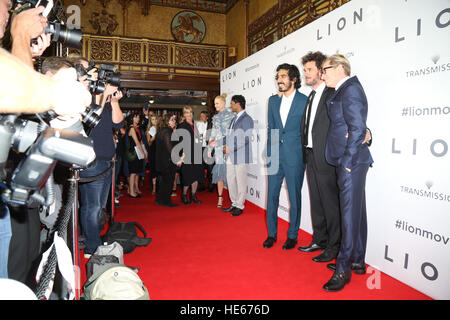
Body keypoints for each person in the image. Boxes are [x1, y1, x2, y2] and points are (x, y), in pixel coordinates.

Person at [320, 54, 373, 292]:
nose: (323, 74)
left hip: (350, 161)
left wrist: (349, 162)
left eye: (325, 69)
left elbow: (358, 128)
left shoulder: (350, 89)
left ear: (340, 68)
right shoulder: (343, 90)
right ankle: (357, 261)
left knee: (349, 215)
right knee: (356, 212)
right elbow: (354, 126)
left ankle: (344, 269)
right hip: (347, 159)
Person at [74, 55, 124, 258]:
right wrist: (104, 95)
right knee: (91, 206)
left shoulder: (104, 97)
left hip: (107, 160)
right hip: (91, 160)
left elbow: (118, 124)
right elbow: (91, 119)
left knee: (99, 207)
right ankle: (92, 247)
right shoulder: (84, 95)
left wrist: (115, 102)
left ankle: (90, 236)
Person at [297, 51, 341, 261]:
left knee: (330, 203)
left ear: (321, 72)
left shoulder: (332, 94)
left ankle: (334, 247)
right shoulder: (311, 96)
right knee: (316, 201)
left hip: (326, 157)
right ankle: (319, 240)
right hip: (311, 156)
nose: (305, 73)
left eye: (309, 70)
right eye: (304, 70)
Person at [263, 63, 308, 250]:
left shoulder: (305, 100)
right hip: (275, 155)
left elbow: (306, 130)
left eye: (283, 76)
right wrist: (269, 152)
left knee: (294, 197)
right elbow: (272, 128)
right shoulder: (273, 101)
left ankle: (292, 235)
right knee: (271, 196)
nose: (279, 80)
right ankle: (271, 234)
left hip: (295, 155)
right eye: (278, 77)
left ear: (294, 79)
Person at [221, 95, 254, 216]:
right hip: (231, 156)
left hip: (241, 156)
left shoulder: (247, 119)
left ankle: (240, 205)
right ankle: (234, 203)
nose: (230, 106)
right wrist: (223, 145)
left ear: (238, 104)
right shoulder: (234, 119)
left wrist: (231, 148)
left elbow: (245, 138)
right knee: (230, 180)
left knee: (240, 182)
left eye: (232, 103)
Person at [208, 94, 234, 207]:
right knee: (219, 174)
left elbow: (232, 134)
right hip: (218, 149)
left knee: (231, 174)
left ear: (223, 103)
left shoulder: (232, 116)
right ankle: (220, 197)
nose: (215, 106)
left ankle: (234, 199)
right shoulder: (215, 118)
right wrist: (209, 148)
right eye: (214, 104)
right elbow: (213, 134)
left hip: (229, 148)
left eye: (217, 103)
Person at [176, 106, 204, 205]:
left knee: (196, 176)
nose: (189, 114)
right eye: (187, 113)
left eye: (191, 112)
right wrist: (182, 156)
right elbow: (180, 142)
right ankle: (183, 194)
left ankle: (193, 195)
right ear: (184, 114)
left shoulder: (195, 125)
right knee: (188, 177)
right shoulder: (182, 126)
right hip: (187, 154)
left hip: (197, 153)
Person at [155, 114, 182, 207]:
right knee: (168, 181)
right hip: (167, 161)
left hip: (162, 160)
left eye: (174, 119)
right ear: (167, 121)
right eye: (172, 119)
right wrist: (178, 159)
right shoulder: (167, 132)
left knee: (163, 181)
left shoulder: (161, 131)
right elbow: (170, 148)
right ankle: (166, 201)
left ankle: (160, 199)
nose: (174, 121)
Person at [127, 113, 147, 198]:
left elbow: (141, 141)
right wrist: (143, 152)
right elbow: (136, 142)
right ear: (132, 119)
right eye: (135, 117)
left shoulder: (137, 128)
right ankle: (131, 192)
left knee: (135, 172)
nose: (137, 119)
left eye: (138, 117)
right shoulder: (132, 128)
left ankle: (134, 190)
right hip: (133, 153)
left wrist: (145, 151)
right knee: (133, 172)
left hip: (137, 152)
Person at [146, 114, 159, 195]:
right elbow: (149, 143)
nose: (155, 121)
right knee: (153, 169)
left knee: (159, 169)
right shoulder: (149, 130)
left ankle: (159, 186)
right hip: (153, 151)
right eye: (153, 119)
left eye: (156, 119)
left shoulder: (161, 128)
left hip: (160, 151)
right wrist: (154, 136)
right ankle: (154, 188)